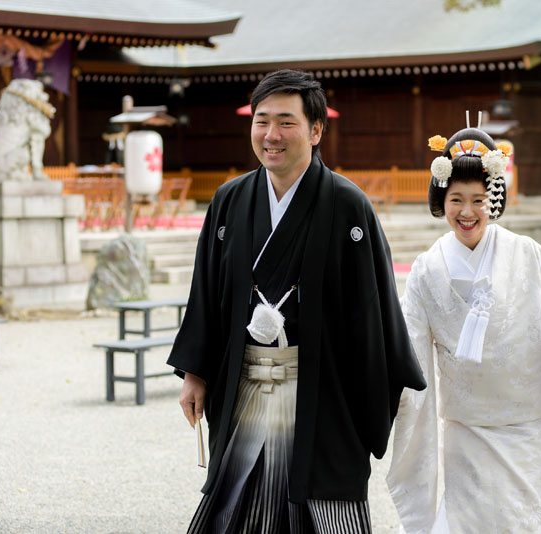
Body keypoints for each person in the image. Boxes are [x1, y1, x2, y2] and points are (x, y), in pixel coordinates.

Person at [168, 69, 426, 534]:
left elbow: (372, 311)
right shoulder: (229, 201)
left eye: (286, 122)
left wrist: (371, 399)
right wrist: (194, 372)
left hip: (321, 393)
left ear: (316, 129)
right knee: (235, 505)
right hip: (242, 381)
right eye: (261, 121)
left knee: (322, 507)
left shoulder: (348, 205)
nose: (271, 135)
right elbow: (206, 293)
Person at [386, 124, 541, 534]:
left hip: (529, 432)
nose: (467, 212)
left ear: (493, 200)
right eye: (456, 200)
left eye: (477, 200)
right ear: (442, 201)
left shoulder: (526, 253)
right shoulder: (426, 270)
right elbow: (408, 348)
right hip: (467, 434)